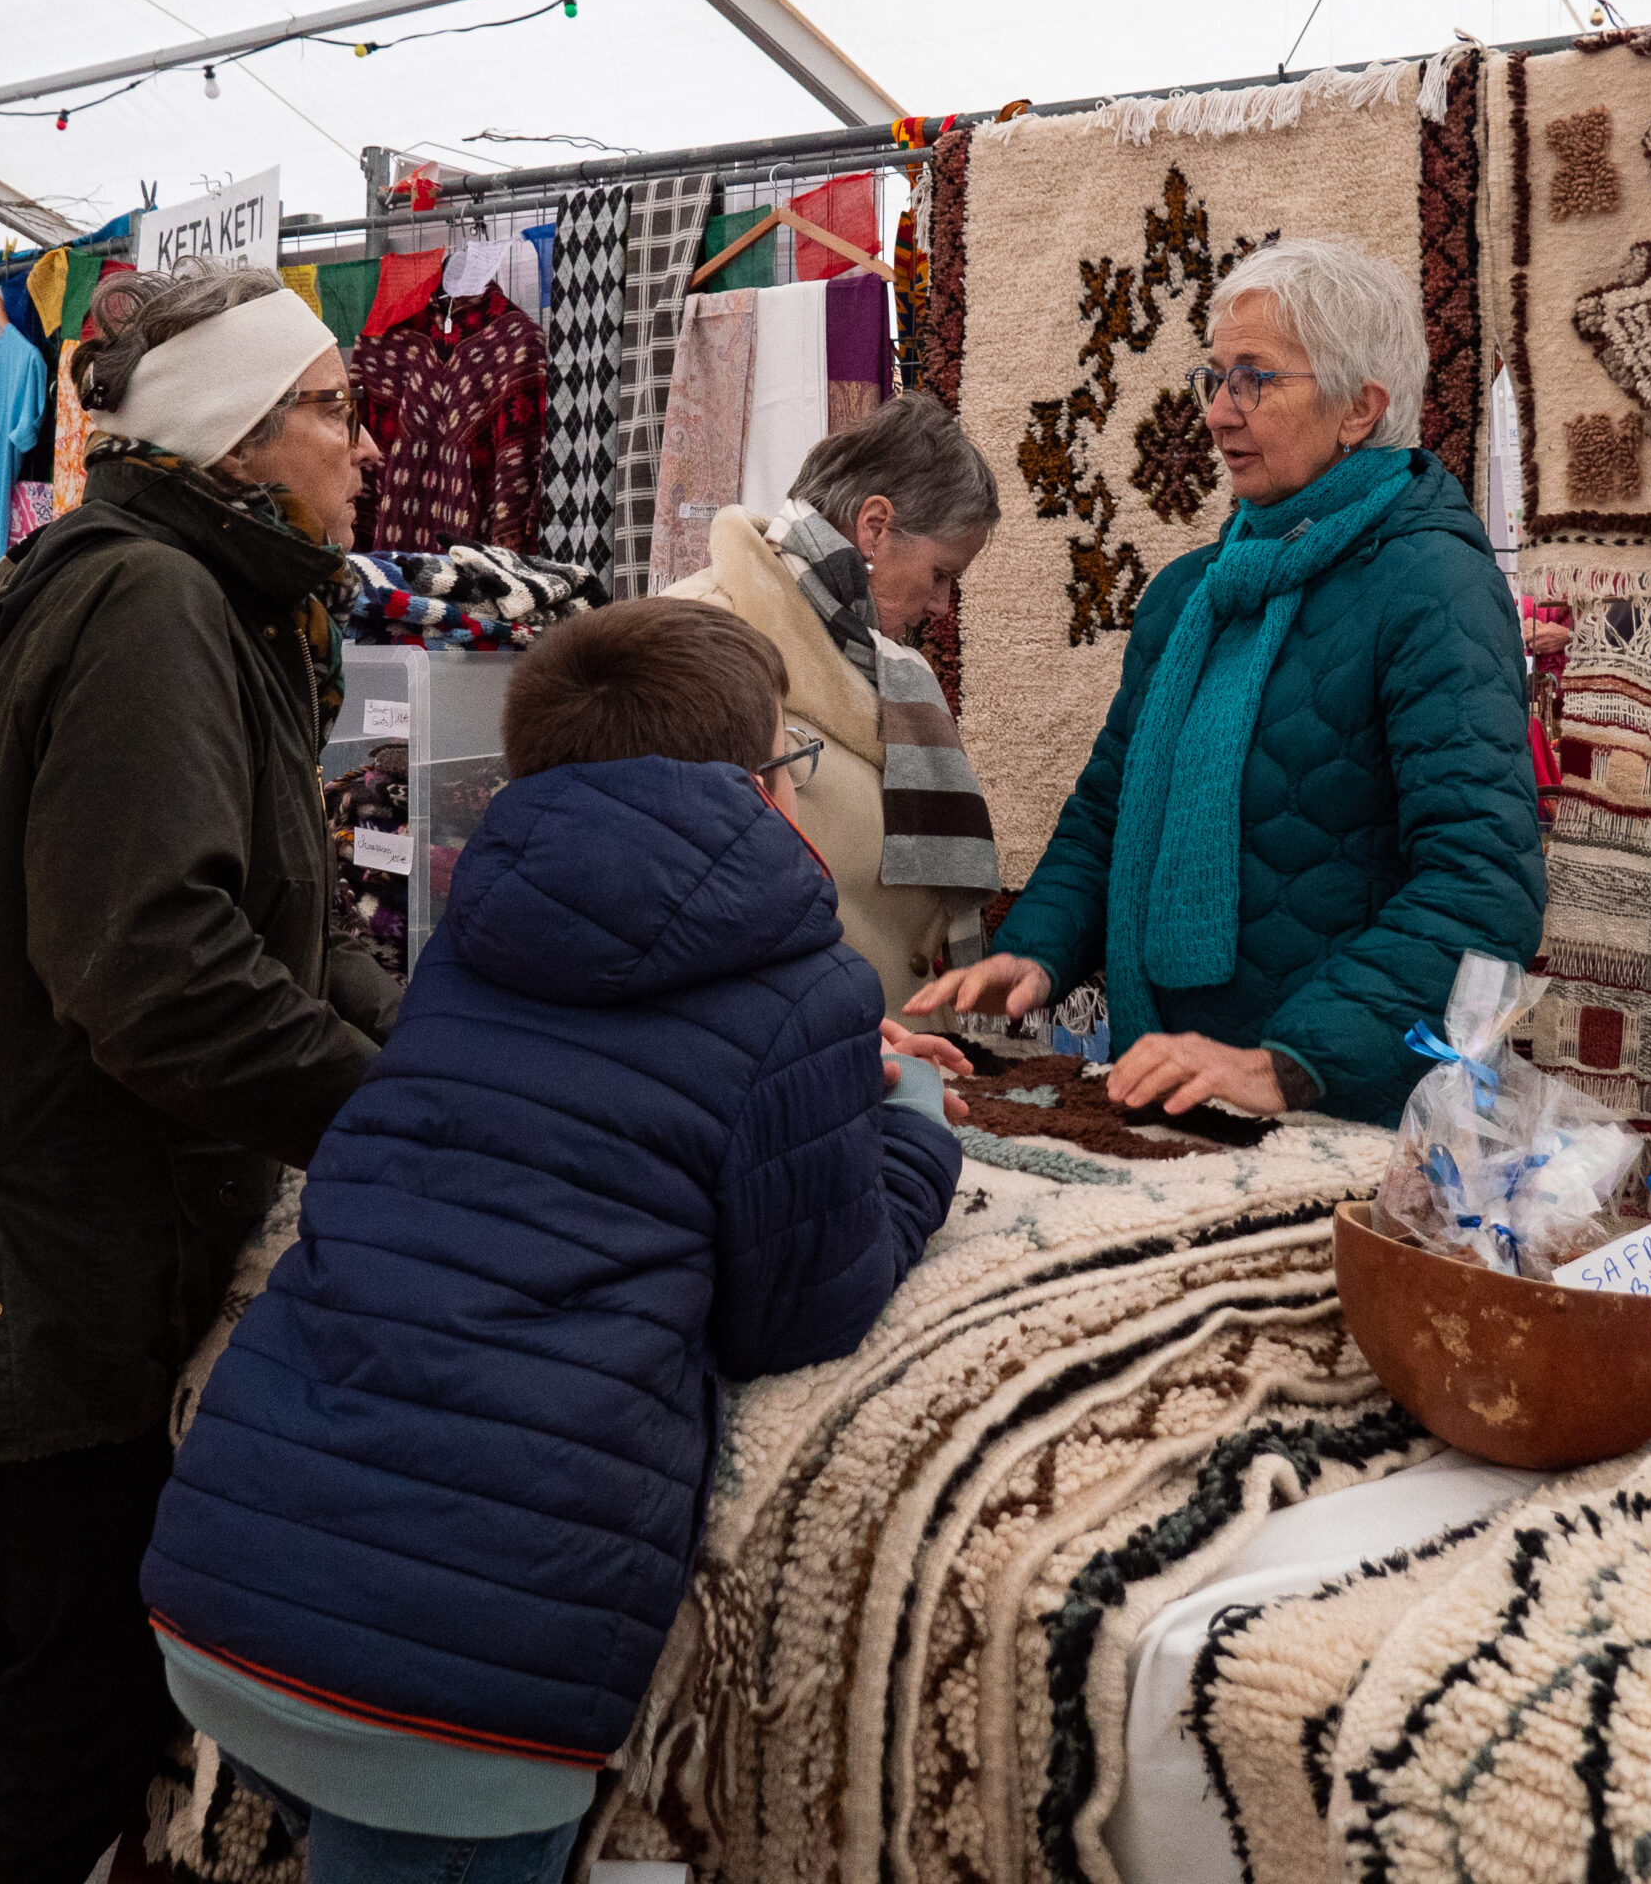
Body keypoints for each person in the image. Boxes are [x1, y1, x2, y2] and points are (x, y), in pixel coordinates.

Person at [138, 598, 965, 1883]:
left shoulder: (479, 932)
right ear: (752, 787)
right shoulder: (808, 988)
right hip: (451, 1673)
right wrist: (907, 1123)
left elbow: (584, 1110)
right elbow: (801, 1308)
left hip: (232, 1579)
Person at [0, 260, 399, 1884]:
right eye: (327, 408)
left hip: (40, 1219)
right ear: (234, 430)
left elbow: (259, 927)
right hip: (62, 1238)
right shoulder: (156, 606)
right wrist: (402, 1116)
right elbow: (159, 975)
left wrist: (449, 1037)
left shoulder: (168, 592)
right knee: (80, 1700)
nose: (359, 447)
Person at [910, 238, 1545, 1126]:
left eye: (1254, 379)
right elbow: (1109, 812)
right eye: (1213, 377)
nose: (1215, 412)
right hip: (1172, 1085)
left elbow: (1482, 886)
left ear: (1359, 410)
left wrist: (1284, 1064)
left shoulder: (1431, 586)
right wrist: (1039, 953)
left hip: (1346, 1113)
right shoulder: (1188, 596)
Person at [669, 392, 1003, 1022]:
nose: (943, 606)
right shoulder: (701, 637)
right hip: (788, 1061)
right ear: (875, 526)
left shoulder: (886, 664)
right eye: (940, 574)